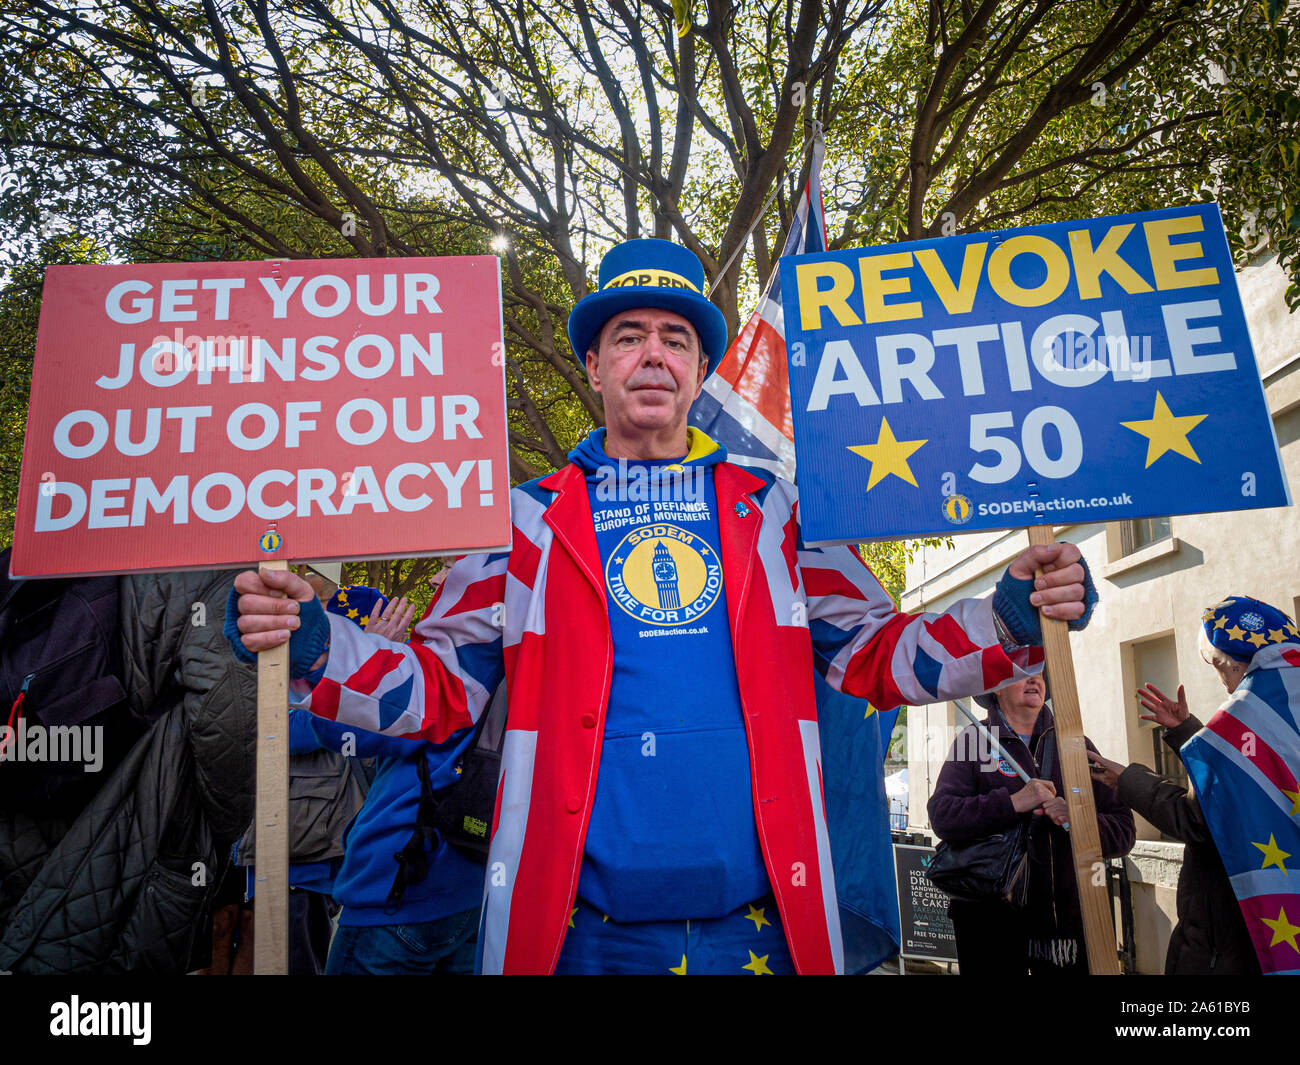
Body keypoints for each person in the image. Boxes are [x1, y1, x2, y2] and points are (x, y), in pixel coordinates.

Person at [227, 238, 1097, 975]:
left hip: (761, 929)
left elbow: (880, 654)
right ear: (596, 365)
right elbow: (438, 687)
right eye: (629, 335)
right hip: (571, 932)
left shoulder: (784, 512)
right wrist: (312, 643)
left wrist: (1014, 617)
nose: (653, 353)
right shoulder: (521, 520)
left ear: (699, 369)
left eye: (676, 339)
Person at [0, 557, 256, 973]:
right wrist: (230, 838)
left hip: (20, 816)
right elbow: (229, 728)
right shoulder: (210, 559)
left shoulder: (29, 554)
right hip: (133, 848)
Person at [1091, 595, 1300, 974]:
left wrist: (1127, 779)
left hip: (1238, 932)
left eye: (1215, 666)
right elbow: (1255, 782)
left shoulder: (1243, 717)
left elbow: (1197, 820)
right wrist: (1188, 732)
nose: (1221, 680)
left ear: (1228, 660)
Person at [928, 675, 1134, 975]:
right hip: (988, 922)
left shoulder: (1076, 745)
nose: (1034, 680)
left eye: (1039, 672)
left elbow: (1124, 831)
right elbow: (942, 815)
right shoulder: (972, 742)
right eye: (1019, 673)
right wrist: (1013, 802)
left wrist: (1076, 819)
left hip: (1067, 925)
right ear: (996, 688)